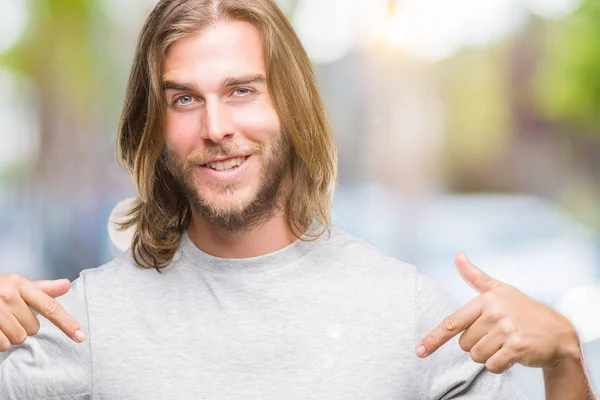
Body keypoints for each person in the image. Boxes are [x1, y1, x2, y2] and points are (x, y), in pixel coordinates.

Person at [0, 0, 596, 399]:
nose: (215, 127)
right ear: (154, 126)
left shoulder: (411, 313)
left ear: (291, 106)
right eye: (183, 99)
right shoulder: (87, 321)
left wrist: (565, 360)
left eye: (242, 91)